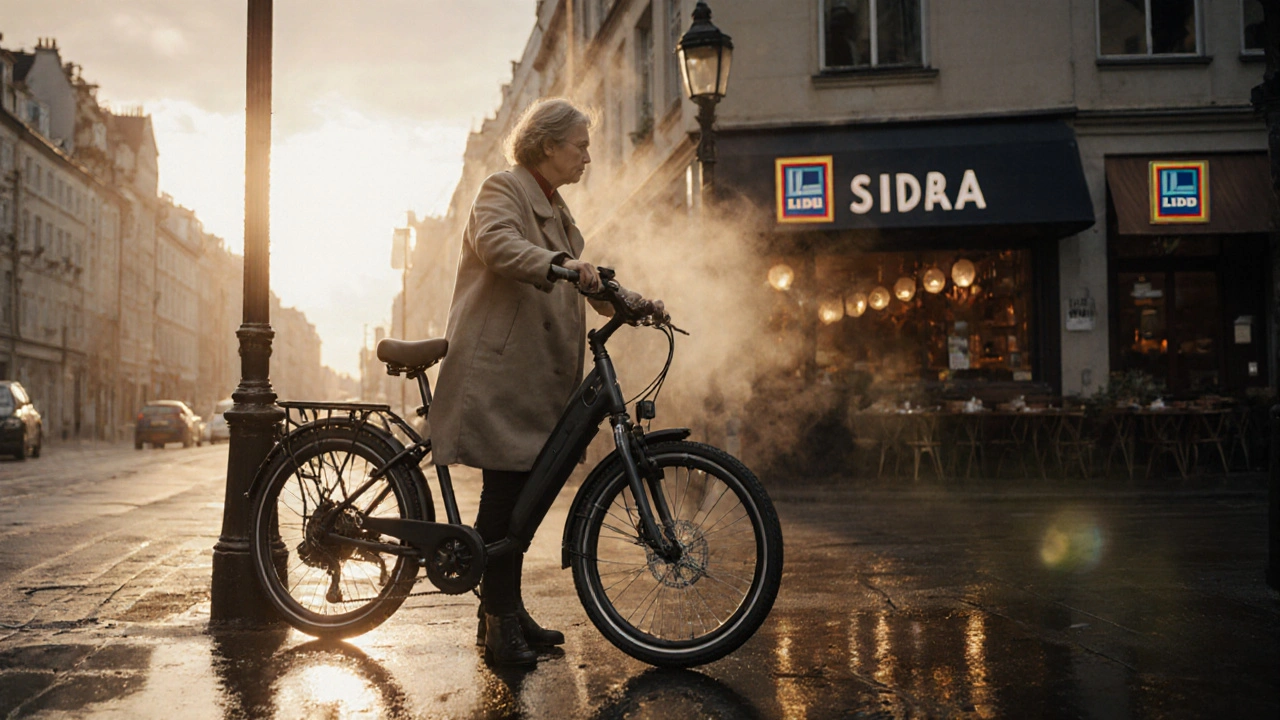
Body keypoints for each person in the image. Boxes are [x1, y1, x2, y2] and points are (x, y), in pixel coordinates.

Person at [430, 97, 662, 666]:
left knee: (523, 502)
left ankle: (504, 608)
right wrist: (558, 264)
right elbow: (499, 244)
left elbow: (585, 278)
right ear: (548, 145)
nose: (587, 156)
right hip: (501, 375)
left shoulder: (556, 209)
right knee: (506, 496)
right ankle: (498, 622)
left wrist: (633, 303)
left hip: (532, 379)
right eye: (580, 145)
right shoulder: (503, 189)